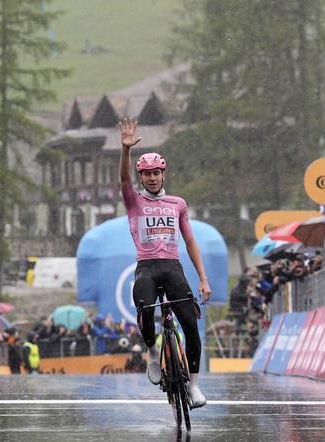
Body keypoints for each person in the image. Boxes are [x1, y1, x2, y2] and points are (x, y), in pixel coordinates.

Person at [119, 117, 211, 409]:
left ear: (164, 174)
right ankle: (151, 350)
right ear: (141, 177)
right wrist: (125, 150)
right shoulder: (134, 201)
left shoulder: (178, 204)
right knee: (145, 310)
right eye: (146, 174)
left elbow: (191, 242)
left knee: (190, 327)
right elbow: (123, 179)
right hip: (147, 266)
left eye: (156, 173)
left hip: (173, 267)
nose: (152, 178)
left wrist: (203, 278)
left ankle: (194, 387)